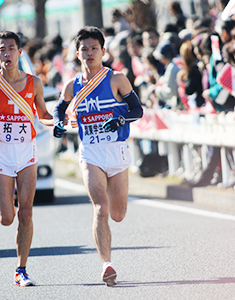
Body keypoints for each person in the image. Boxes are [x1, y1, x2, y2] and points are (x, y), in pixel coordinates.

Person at [53, 26, 143, 286]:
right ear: (77, 53)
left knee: (118, 213)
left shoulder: (117, 79)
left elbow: (137, 109)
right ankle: (107, 264)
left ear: (104, 51)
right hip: (90, 152)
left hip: (117, 150)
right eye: (84, 49)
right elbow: (60, 109)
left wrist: (119, 119)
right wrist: (60, 124)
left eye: (94, 48)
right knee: (100, 209)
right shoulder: (73, 85)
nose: (89, 52)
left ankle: (107, 259)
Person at [0, 31, 54, 287]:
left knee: (26, 213)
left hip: (27, 153)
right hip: (1, 154)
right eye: (2, 49)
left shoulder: (34, 83)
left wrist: (58, 122)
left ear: (19, 52)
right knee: (7, 218)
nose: (7, 53)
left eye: (11, 48)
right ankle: (4, 204)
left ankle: (21, 270)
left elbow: (44, 113)